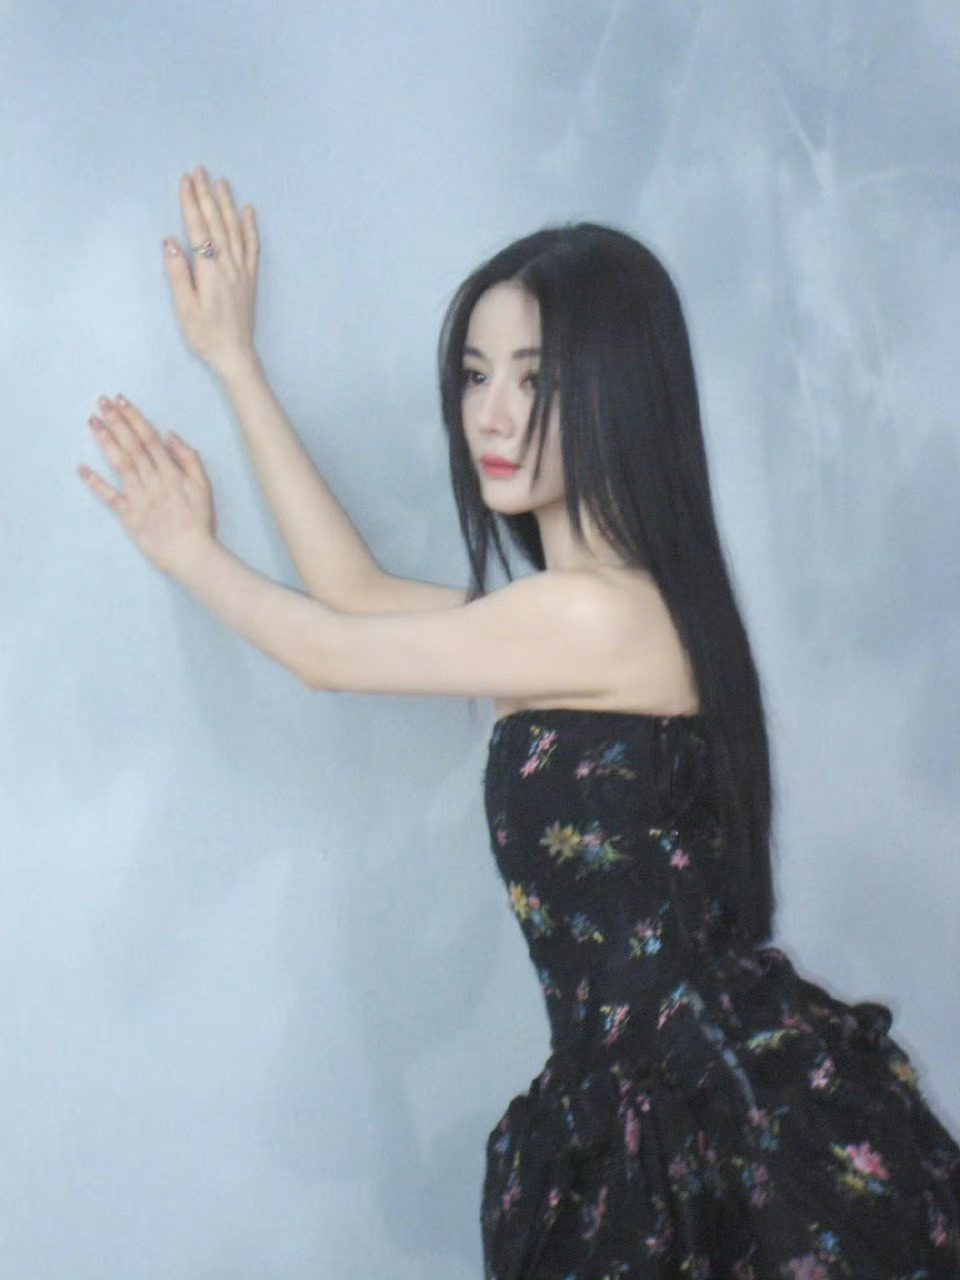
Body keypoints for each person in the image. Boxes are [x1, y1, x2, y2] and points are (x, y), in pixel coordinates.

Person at [77, 167, 959, 1279]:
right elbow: (352, 594)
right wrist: (236, 364)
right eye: (476, 373)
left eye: (537, 379)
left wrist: (187, 550)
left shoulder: (597, 616)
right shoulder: (584, 615)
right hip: (641, 1101)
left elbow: (326, 654)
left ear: (618, 392)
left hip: (698, 1119)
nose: (491, 413)